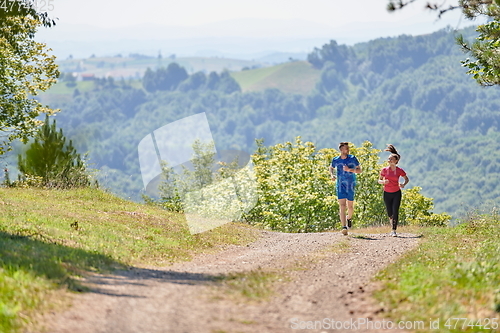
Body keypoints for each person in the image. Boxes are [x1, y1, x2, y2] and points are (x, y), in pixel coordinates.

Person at [329, 142, 362, 235]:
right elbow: (331, 167)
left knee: (350, 206)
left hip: (350, 184)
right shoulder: (336, 160)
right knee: (342, 206)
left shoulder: (352, 158)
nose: (348, 150)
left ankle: (349, 218)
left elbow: (360, 170)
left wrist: (350, 170)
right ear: (341, 149)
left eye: (348, 148)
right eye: (346, 148)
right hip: (340, 185)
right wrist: (332, 175)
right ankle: (344, 227)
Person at [378, 144, 409, 237]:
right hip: (387, 193)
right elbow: (378, 180)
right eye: (388, 159)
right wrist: (383, 181)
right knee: (389, 212)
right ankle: (392, 225)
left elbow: (406, 179)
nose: (389, 160)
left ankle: (393, 230)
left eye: (391, 159)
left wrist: (403, 184)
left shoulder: (399, 170)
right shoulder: (384, 170)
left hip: (396, 193)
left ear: (396, 161)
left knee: (395, 211)